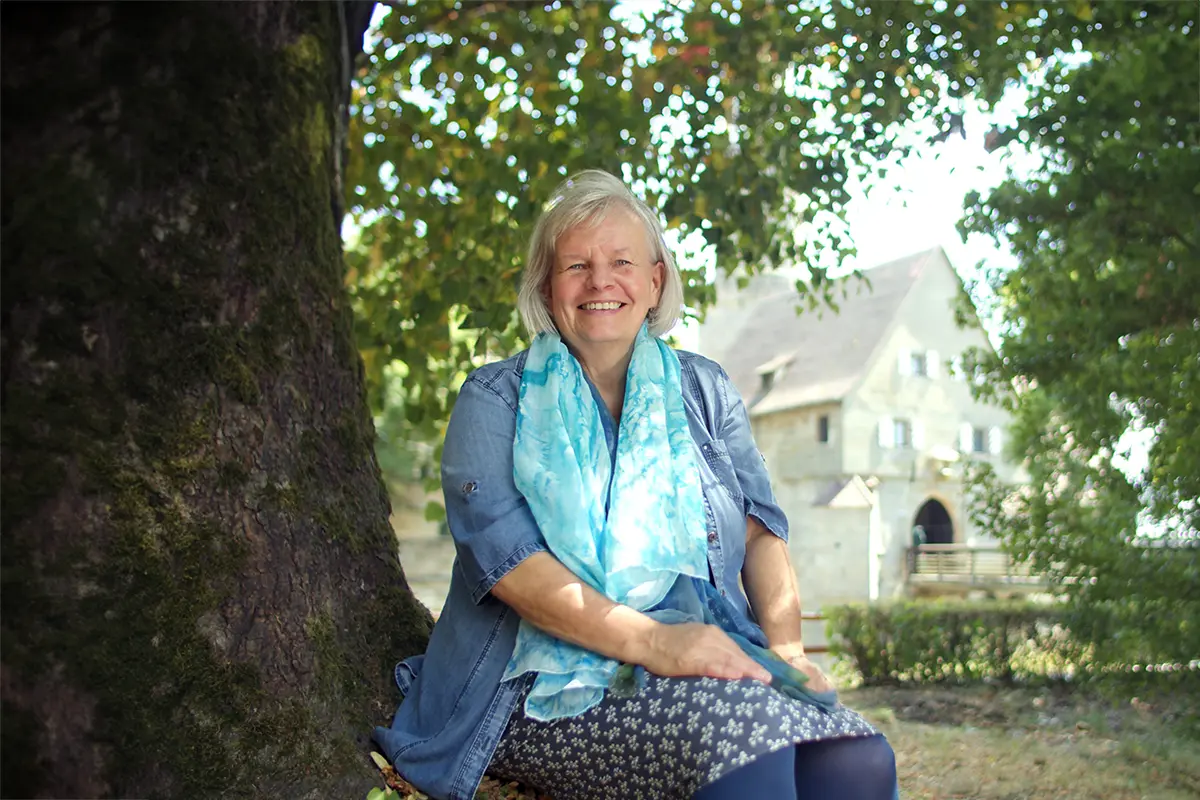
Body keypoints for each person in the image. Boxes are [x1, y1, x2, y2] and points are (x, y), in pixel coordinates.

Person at [374, 170, 899, 800]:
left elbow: (761, 532)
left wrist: (785, 648)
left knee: (861, 759)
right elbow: (513, 569)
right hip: (535, 685)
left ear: (655, 282)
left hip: (702, 652)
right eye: (577, 266)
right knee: (747, 739)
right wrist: (657, 643)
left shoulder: (704, 389)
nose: (601, 282)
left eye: (622, 261)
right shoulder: (496, 399)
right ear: (548, 287)